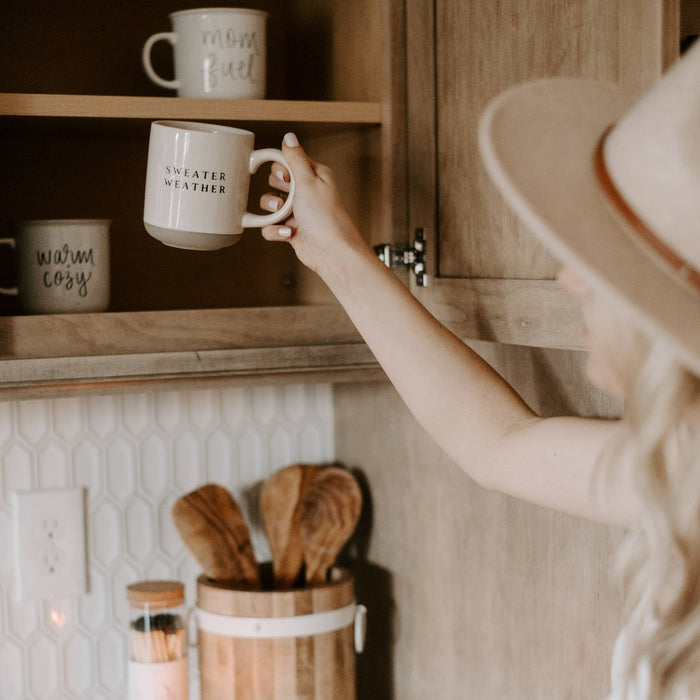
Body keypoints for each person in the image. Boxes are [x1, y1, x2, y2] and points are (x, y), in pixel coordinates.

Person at [259, 40, 700, 700]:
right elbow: (497, 443)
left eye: (610, 257)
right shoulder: (685, 466)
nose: (568, 277)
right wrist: (336, 253)